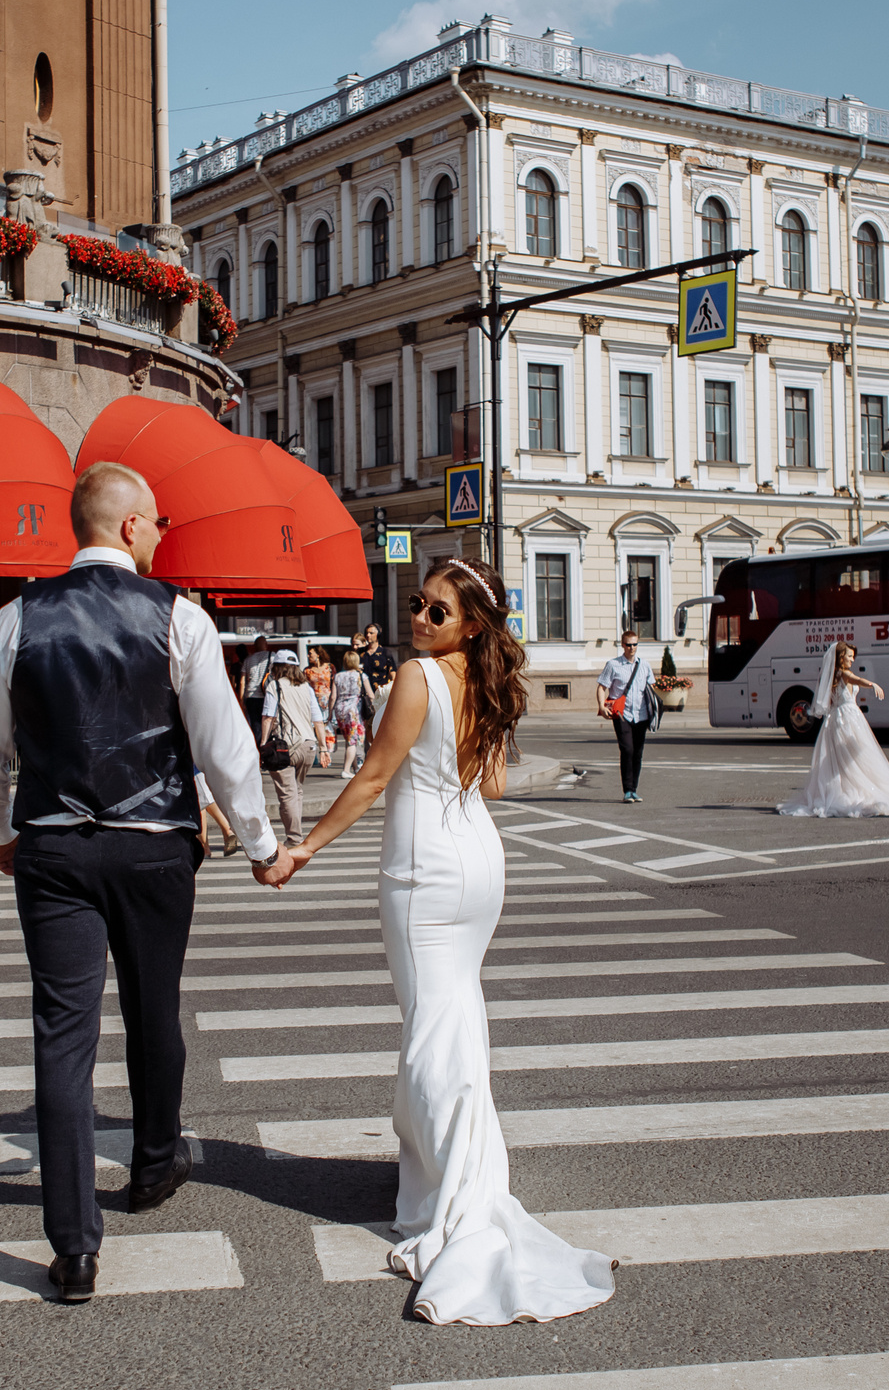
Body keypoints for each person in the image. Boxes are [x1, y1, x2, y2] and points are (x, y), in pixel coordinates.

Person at [0, 460, 287, 1304]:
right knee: (153, 1006)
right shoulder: (179, 615)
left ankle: (73, 1247)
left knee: (62, 1035)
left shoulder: (17, 617)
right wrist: (260, 843)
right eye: (159, 522)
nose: (161, 535)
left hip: (54, 846)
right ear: (133, 525)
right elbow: (223, 746)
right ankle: (152, 1164)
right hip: (152, 845)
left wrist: (2, 831)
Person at [267, 557, 615, 1326]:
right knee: (456, 1019)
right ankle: (456, 1175)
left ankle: (457, 1195)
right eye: (419, 604)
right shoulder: (483, 681)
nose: (419, 618)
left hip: (424, 869)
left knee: (432, 1030)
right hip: (478, 858)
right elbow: (489, 783)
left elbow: (371, 778)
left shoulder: (418, 676)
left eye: (437, 611)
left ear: (471, 625)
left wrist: (304, 847)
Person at [777, 642, 889, 817]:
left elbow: (830, 702)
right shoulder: (844, 673)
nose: (852, 659)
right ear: (841, 658)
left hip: (837, 717)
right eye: (849, 656)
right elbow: (858, 680)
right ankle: (853, 787)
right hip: (848, 717)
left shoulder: (833, 676)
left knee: (841, 758)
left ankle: (845, 787)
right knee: (855, 755)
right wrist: (872, 684)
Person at [259, 648, 322, 844]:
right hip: (309, 745)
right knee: (297, 791)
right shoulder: (307, 688)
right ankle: (296, 835)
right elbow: (318, 719)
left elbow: (268, 717)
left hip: (285, 747)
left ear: (277, 668)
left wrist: (263, 744)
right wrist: (324, 748)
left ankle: (294, 839)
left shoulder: (275, 686)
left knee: (287, 794)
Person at [596, 632, 655, 803]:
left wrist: (654, 710)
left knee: (637, 752)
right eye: (628, 644)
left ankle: (634, 789)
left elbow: (651, 688)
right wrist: (602, 706)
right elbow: (601, 687)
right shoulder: (613, 665)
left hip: (641, 715)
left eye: (635, 644)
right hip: (622, 714)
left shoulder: (644, 665)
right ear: (622, 645)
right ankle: (627, 790)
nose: (632, 648)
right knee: (627, 750)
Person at [331, 647, 369, 777]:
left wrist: (330, 713)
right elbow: (370, 694)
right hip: (354, 711)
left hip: (340, 710)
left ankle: (355, 768)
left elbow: (333, 697)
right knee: (353, 741)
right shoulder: (361, 676)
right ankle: (346, 770)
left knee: (348, 739)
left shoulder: (337, 676)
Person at [359, 621, 399, 705]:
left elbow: (393, 674)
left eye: (371, 633)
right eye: (366, 633)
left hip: (380, 695)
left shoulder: (385, 653)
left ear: (378, 635)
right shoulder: (361, 653)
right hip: (363, 696)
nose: (368, 635)